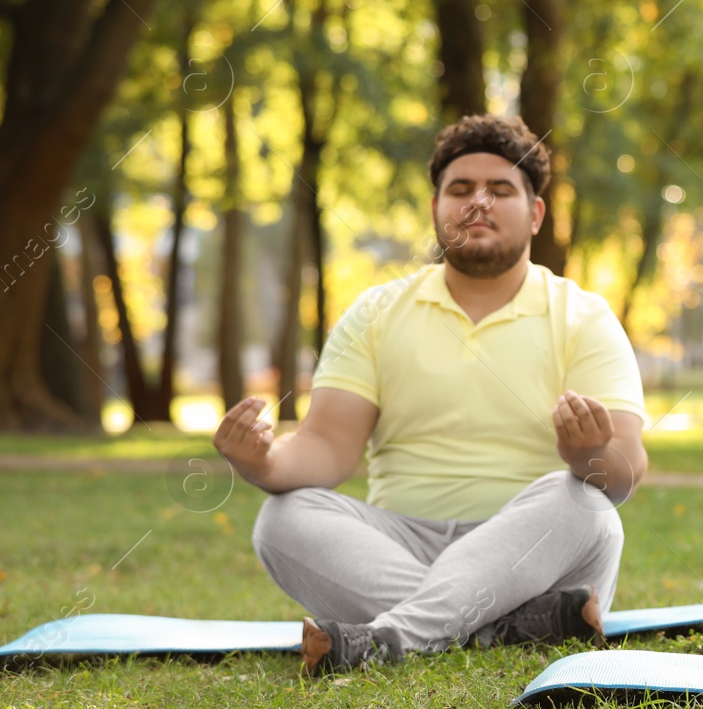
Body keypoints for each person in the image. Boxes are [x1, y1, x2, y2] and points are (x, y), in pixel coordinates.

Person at [215, 115, 648, 675]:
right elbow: (327, 446)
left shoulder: (584, 317)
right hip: (397, 546)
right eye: (460, 190)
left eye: (501, 190)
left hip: (534, 552)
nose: (478, 203)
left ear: (536, 213)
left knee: (585, 503)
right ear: (436, 208)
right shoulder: (375, 312)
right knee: (283, 518)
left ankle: (393, 638)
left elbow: (626, 468)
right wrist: (264, 460)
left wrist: (588, 456)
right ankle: (511, 629)